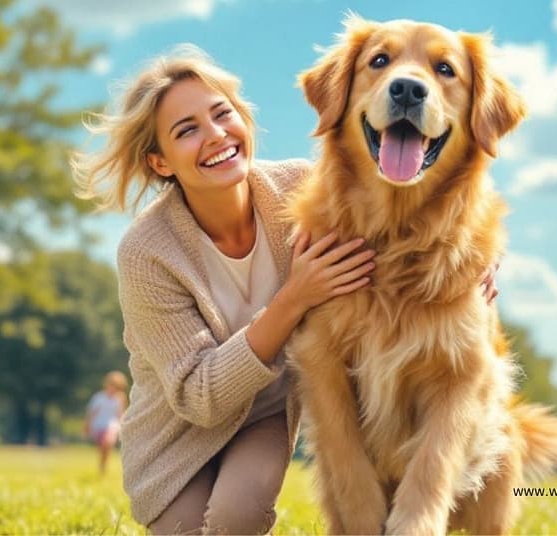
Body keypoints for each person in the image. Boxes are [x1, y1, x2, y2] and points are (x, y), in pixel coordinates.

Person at [71, 45, 498, 534]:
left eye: (221, 113)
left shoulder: (302, 187)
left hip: (264, 416)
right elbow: (198, 398)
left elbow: (416, 208)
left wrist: (482, 253)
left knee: (237, 519)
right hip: (178, 435)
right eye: (186, 131)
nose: (215, 136)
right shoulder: (146, 253)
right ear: (161, 162)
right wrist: (295, 296)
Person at [85, 370, 129, 475]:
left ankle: (103, 466)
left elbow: (121, 413)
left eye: (116, 386)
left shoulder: (120, 398)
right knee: (103, 449)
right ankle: (102, 466)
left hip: (112, 425)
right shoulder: (99, 397)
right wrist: (87, 425)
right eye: (111, 385)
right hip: (98, 425)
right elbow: (91, 413)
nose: (113, 388)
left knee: (107, 442)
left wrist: (124, 424)